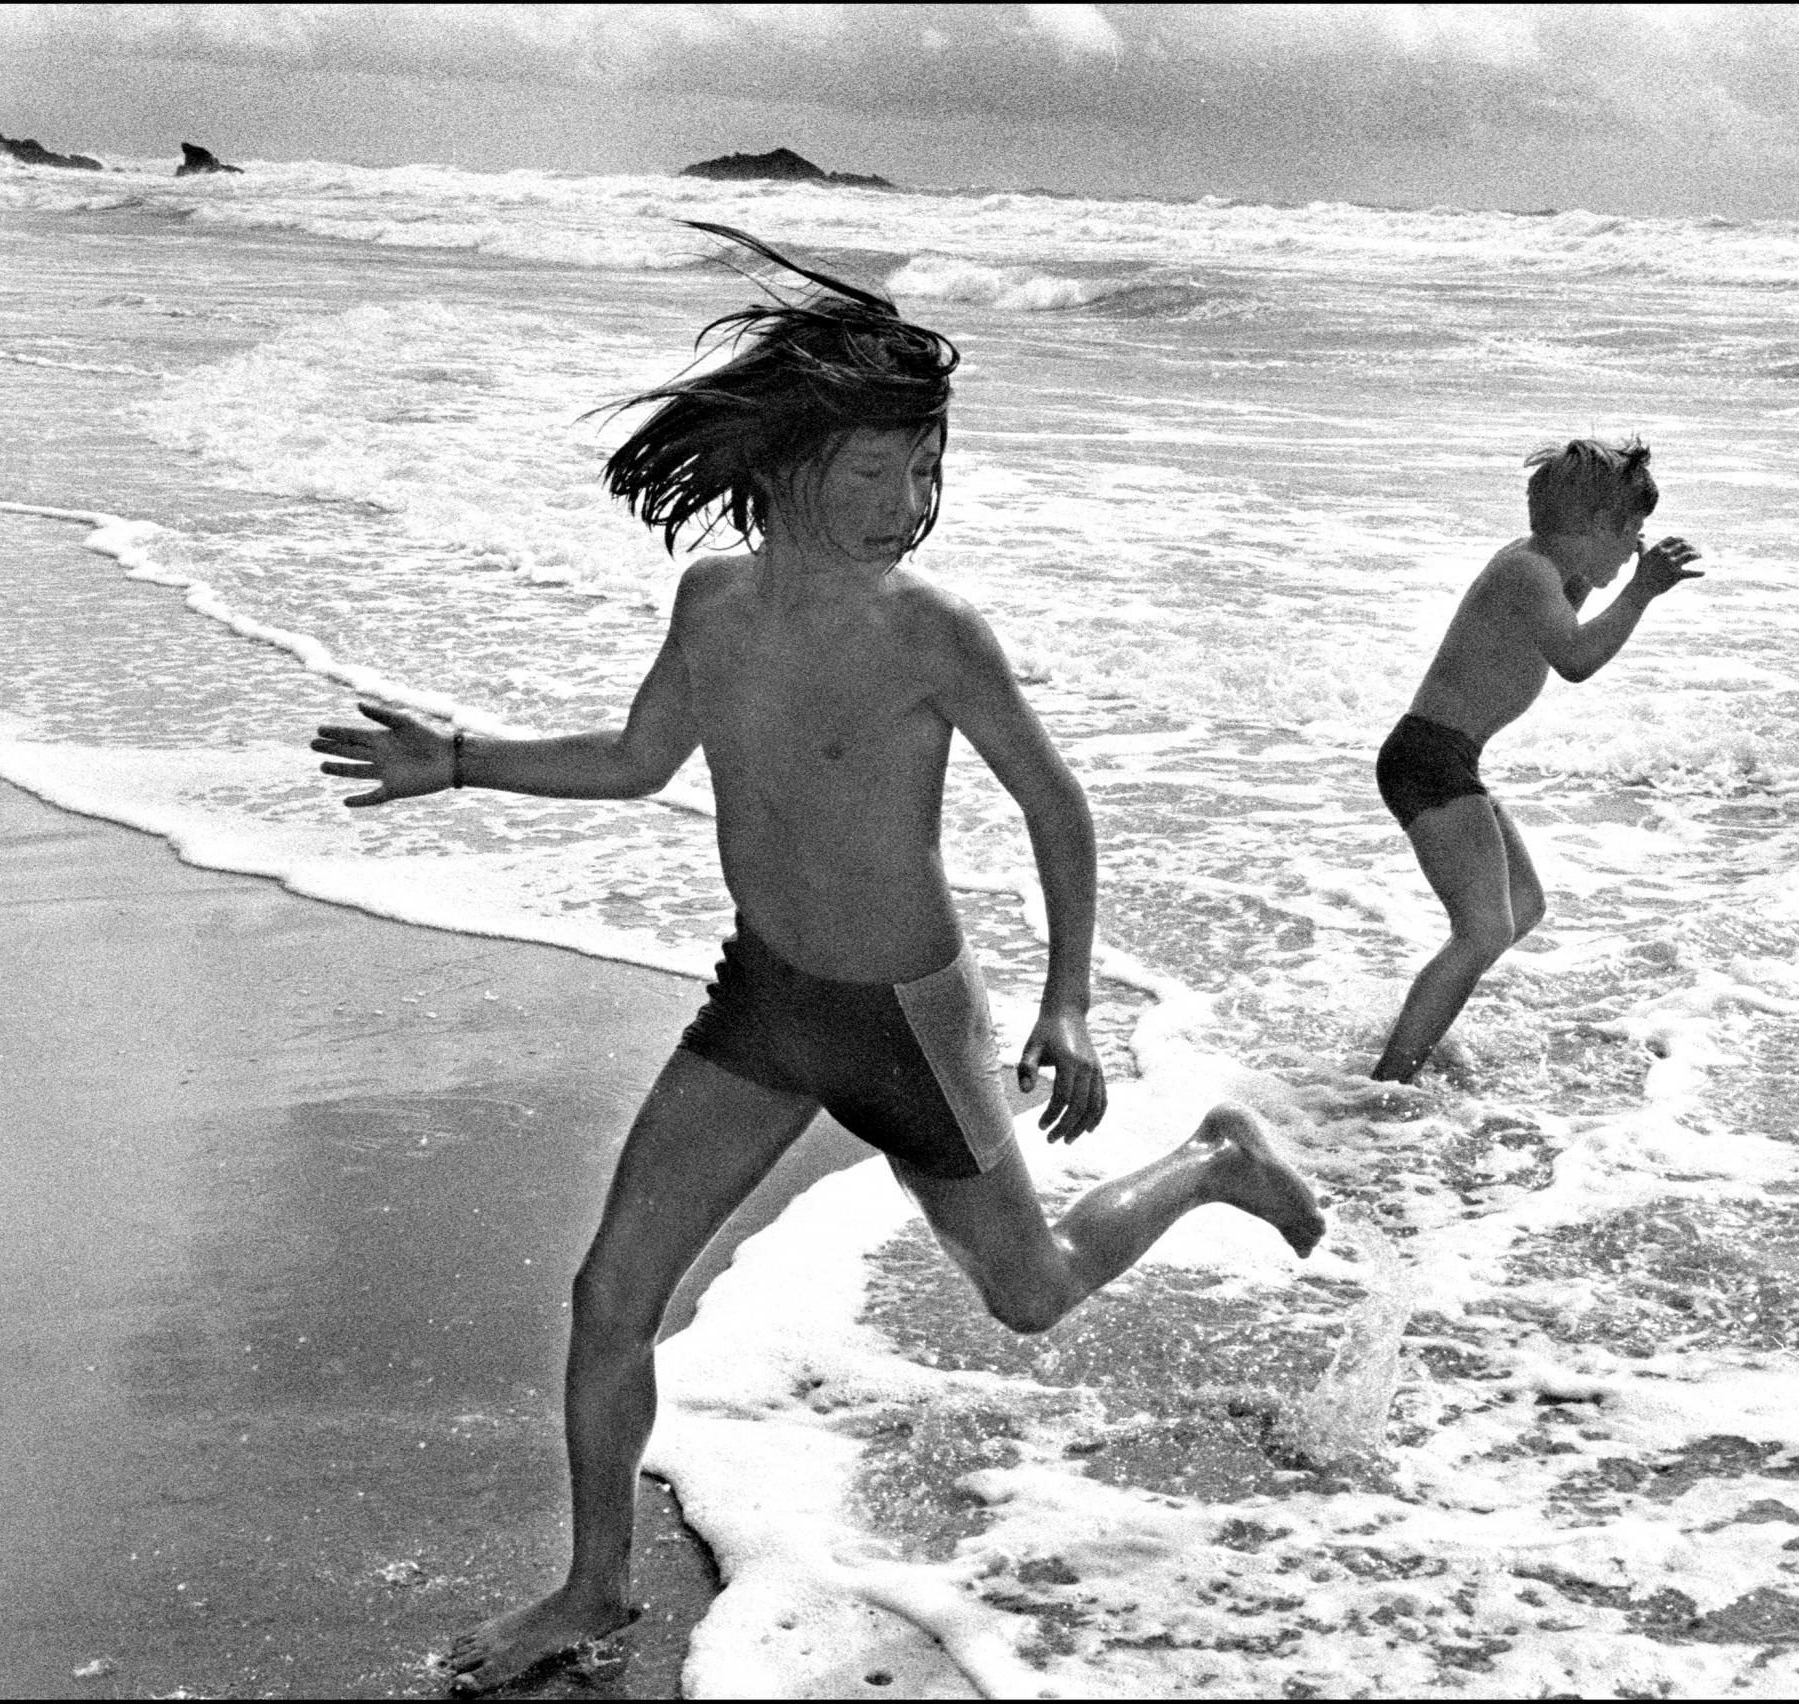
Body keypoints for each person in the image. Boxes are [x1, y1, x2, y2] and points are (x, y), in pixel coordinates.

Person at [311, 225, 1324, 1695]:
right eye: (874, 474)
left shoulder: (934, 633)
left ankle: (1219, 1162)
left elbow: (1058, 806)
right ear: (789, 463)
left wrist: (1070, 1001)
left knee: (1029, 1294)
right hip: (766, 1004)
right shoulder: (714, 602)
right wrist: (459, 758)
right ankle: (590, 1589)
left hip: (909, 1026)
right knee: (610, 1298)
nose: (905, 506)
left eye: (924, 476)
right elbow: (640, 759)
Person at [1369, 437, 1704, 1082]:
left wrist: (1613, 570)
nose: (1637, 544)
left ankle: (1421, 1018)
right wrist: (1640, 593)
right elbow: (1575, 660)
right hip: (1427, 758)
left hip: (1447, 757)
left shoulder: (1550, 570)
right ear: (1586, 526)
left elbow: (1572, 616)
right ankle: (1387, 1082)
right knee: (1484, 930)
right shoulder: (1528, 573)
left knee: (1522, 906)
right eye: (1630, 528)